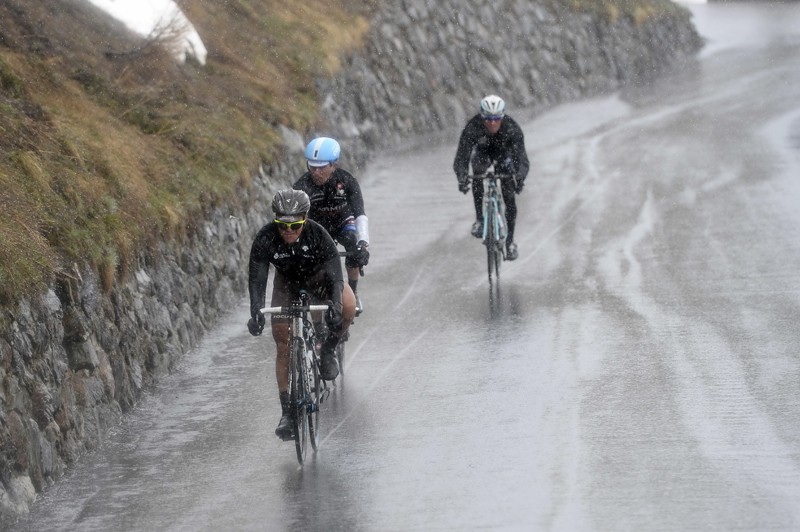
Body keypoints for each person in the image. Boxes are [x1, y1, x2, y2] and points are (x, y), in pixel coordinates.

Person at [247, 189, 356, 440]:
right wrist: (256, 311)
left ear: (305, 218)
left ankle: (327, 349)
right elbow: (257, 278)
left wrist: (336, 307)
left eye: (295, 225)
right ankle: (287, 412)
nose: (288, 231)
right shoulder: (265, 238)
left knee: (349, 306)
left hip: (321, 280)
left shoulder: (318, 234)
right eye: (282, 225)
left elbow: (336, 276)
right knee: (282, 342)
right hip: (287, 285)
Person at [293, 136, 370, 313]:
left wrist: (363, 244)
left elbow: (360, 215)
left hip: (343, 223)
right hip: (316, 227)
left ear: (334, 165)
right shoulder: (302, 185)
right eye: (312, 167)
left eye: (322, 168)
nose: (316, 172)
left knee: (352, 242)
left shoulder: (347, 181)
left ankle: (353, 290)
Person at [453, 94, 529, 261]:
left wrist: (519, 177)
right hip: (482, 154)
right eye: (488, 118)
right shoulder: (473, 127)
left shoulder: (511, 128)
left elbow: (522, 159)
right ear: (482, 116)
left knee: (509, 194)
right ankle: (480, 220)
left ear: (502, 116)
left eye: (496, 118)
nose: (492, 122)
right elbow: (461, 158)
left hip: (504, 156)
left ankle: (510, 243)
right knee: (478, 172)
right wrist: (462, 177)